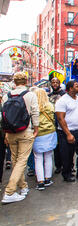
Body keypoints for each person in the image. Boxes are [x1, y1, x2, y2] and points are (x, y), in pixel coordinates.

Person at [1, 72, 39, 204]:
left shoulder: (7, 96)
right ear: (26, 81)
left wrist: (6, 133)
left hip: (10, 132)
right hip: (25, 131)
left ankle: (23, 187)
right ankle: (9, 192)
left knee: (16, 160)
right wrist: (36, 128)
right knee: (21, 161)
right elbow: (35, 112)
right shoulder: (30, 95)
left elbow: (3, 116)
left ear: (14, 82)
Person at [55, 80, 78, 182]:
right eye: (76, 86)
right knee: (67, 154)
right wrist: (68, 134)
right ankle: (67, 174)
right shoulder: (62, 101)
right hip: (67, 131)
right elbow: (60, 119)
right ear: (70, 88)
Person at [32, 88, 57, 190]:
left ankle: (40, 181)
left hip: (37, 134)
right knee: (48, 156)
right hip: (50, 133)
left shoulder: (33, 107)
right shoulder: (50, 106)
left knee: (38, 158)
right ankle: (47, 179)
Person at [48, 77, 65, 174]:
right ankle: (58, 166)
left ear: (59, 83)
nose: (54, 84)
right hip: (52, 124)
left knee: (65, 146)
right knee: (56, 147)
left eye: (56, 82)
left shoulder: (64, 95)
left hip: (63, 123)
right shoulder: (49, 96)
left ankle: (68, 165)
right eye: (53, 82)